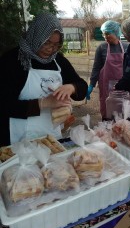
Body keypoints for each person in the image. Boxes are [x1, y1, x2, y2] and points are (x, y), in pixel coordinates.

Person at [0, 12, 88, 147]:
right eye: (46, 42)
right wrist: (43, 103)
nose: (50, 49)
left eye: (55, 45)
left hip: (51, 138)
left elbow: (82, 88)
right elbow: (5, 105)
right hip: (17, 140)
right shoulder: (12, 61)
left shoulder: (58, 61)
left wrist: (71, 87)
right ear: (36, 36)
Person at [86, 20, 128, 120]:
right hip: (106, 89)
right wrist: (91, 84)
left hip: (123, 88)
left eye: (107, 34)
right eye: (104, 35)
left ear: (116, 33)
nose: (105, 37)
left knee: (123, 115)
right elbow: (96, 68)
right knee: (108, 116)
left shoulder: (126, 47)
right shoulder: (102, 48)